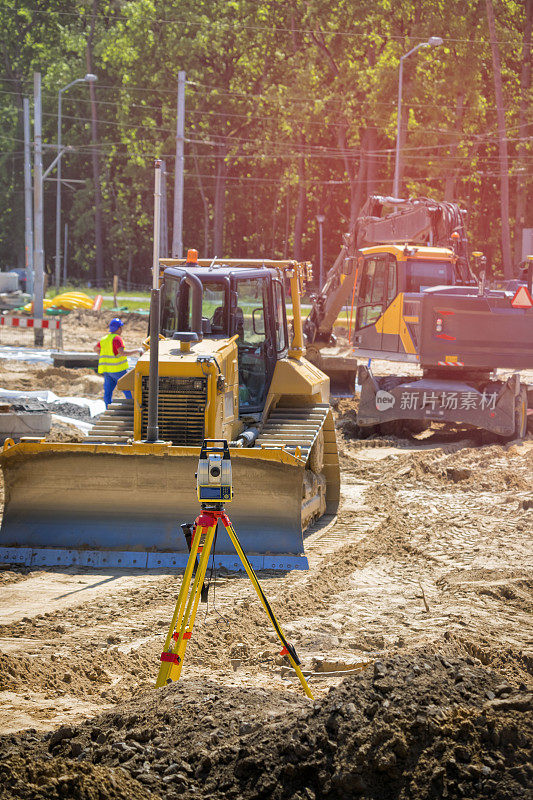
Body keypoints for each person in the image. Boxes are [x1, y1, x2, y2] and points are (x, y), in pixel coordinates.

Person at [94, 318, 143, 407]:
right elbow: (122, 353)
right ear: (119, 328)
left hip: (107, 370)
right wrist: (137, 350)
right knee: (128, 389)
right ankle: (132, 409)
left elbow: (96, 349)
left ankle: (107, 408)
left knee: (108, 392)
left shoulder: (104, 339)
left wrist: (104, 355)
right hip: (118, 370)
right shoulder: (117, 339)